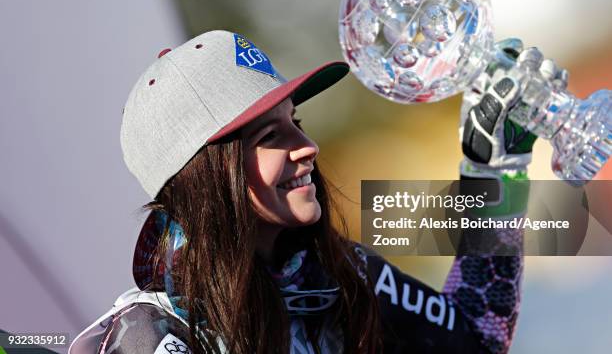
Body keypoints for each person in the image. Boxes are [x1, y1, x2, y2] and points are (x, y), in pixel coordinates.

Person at [69, 30, 558, 353]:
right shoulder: (151, 336)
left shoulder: (337, 274)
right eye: (271, 137)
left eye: (295, 123)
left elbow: (474, 337)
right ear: (205, 179)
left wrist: (495, 175)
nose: (308, 147)